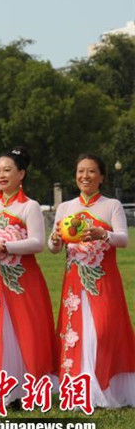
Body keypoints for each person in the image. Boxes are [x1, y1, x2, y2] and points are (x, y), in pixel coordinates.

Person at [48, 153, 135, 407]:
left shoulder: (112, 205)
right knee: (77, 335)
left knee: (104, 332)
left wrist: (102, 234)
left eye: (91, 171)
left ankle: (109, 389)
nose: (85, 176)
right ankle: (80, 390)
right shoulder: (65, 207)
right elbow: (54, 248)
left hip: (104, 282)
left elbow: (124, 239)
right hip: (74, 283)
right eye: (80, 171)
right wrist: (54, 240)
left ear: (102, 177)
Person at [0, 147, 56, 406]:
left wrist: (5, 246)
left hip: (24, 282)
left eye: (7, 170)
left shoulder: (29, 206)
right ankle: (5, 392)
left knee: (27, 332)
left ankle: (29, 391)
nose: (1, 175)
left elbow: (38, 243)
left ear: (21, 174)